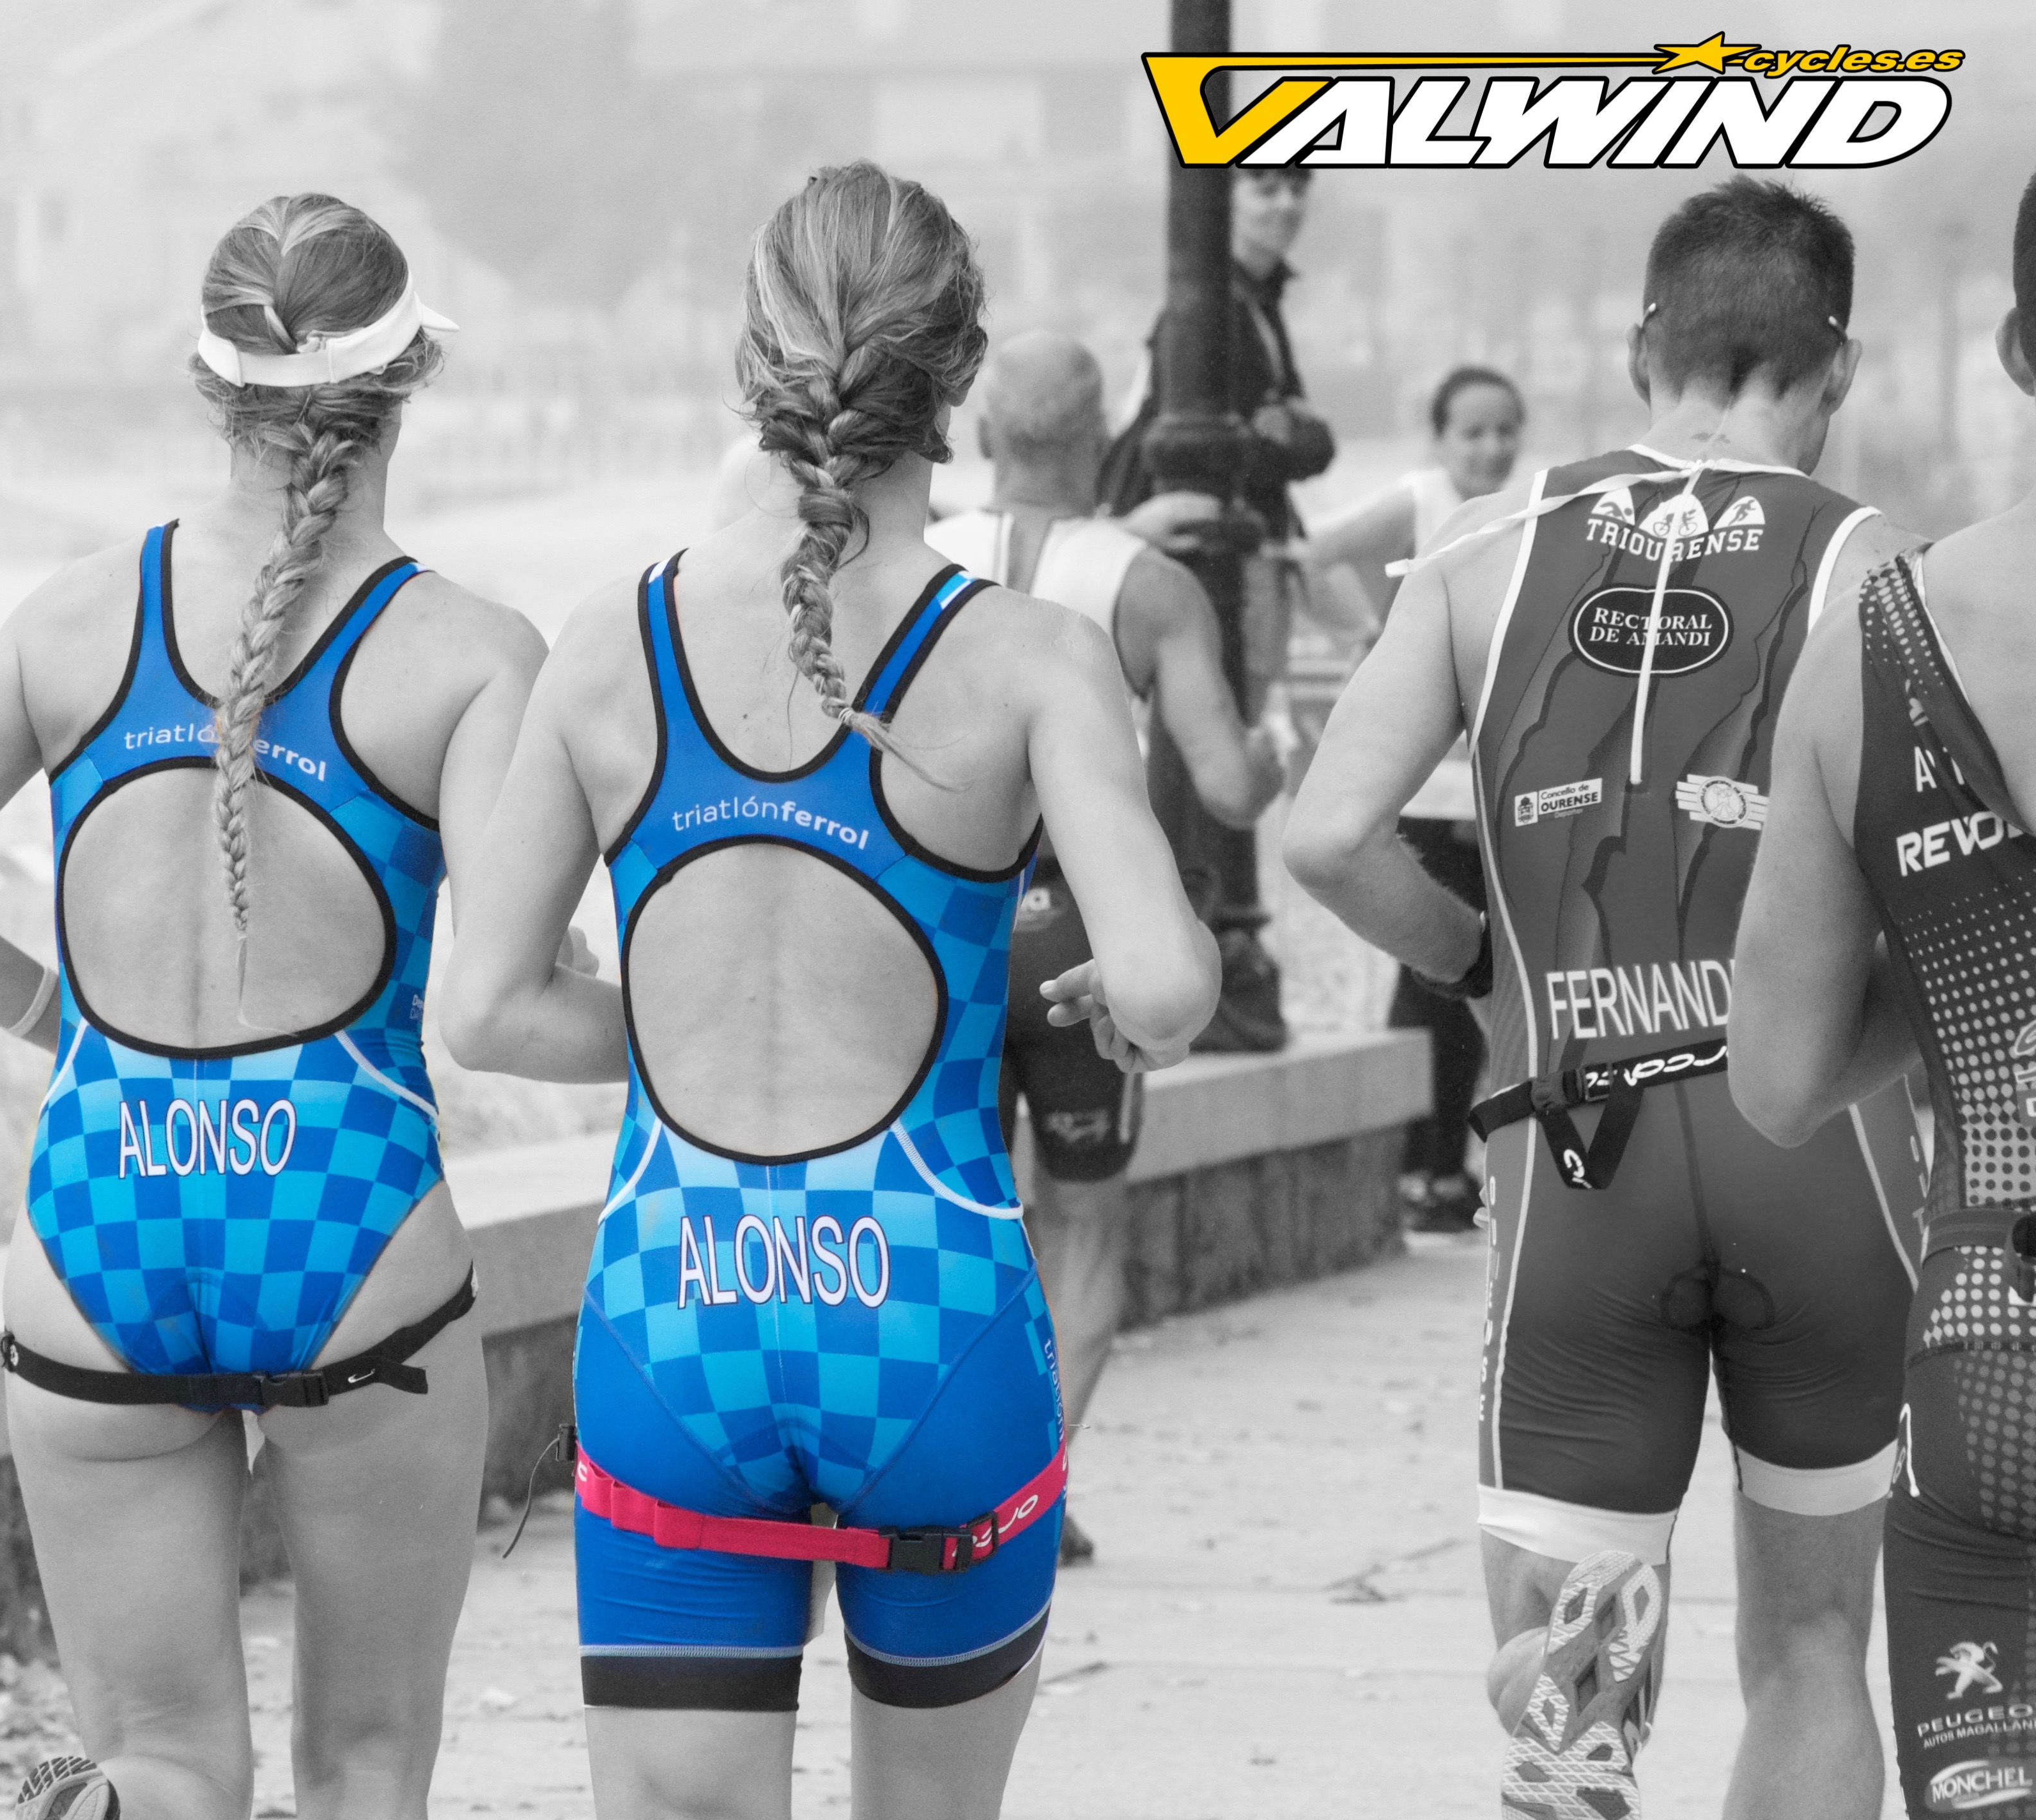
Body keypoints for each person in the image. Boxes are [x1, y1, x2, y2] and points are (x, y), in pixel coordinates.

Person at [442, 161, 1218, 1819]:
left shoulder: (610, 641)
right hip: (927, 1309)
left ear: (750, 361)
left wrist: (692, 1040)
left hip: (678, 1310)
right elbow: (1162, 986)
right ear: (960, 377)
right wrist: (1107, 996)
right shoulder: (1031, 656)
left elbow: (486, 1010)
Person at [0, 196, 559, 1820]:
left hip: (103, 1206)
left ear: (208, 384)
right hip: (343, 1211)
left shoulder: (73, 616)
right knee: (364, 1760)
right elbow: (509, 994)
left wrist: (55, 1019)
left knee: (155, 1760)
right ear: (412, 378)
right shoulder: (471, 653)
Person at [1284, 177, 1925, 1820]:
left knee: (1567, 1719)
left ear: (1641, 345)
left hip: (1574, 1160)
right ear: (1837, 366)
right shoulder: (1877, 568)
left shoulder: (1478, 554)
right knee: (1811, 1651)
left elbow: (1325, 835)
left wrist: (1475, 964)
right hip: (1823, 1166)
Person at [1728, 172, 2036, 1820]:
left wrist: (1966, 944)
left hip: (1996, 1338)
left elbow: (1776, 1077)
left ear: (2011, 349)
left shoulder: (1877, 637)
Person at [925, 328, 1285, 1564]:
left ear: (984, 433)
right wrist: (1272, 744)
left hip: (944, 936)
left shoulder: (912, 563)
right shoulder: (1150, 584)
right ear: (1104, 439)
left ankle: (929, 1479)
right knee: (1081, 1227)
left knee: (951, 1218)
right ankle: (1028, 1494)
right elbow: (1230, 786)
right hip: (1085, 933)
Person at [1104, 164, 1337, 1054]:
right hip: (1202, 556)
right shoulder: (1211, 313)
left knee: (1203, 742)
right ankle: (1199, 938)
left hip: (1238, 550)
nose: (1284, 204)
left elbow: (1297, 438)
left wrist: (1293, 435)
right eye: (1263, 188)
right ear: (1222, 202)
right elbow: (1263, 443)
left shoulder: (1250, 303)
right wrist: (1288, 435)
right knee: (1203, 746)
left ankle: (1197, 937)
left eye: (1294, 189)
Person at [1300, 366, 1528, 1233]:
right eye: (1473, 431)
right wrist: (1369, 633)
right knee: (1433, 978)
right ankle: (1420, 1170)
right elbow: (1309, 552)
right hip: (1427, 795)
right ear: (1439, 438)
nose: (1491, 447)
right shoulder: (1420, 501)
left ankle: (1449, 1165)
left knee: (1486, 979)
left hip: (1489, 792)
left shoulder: (1521, 516)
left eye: (1505, 429)